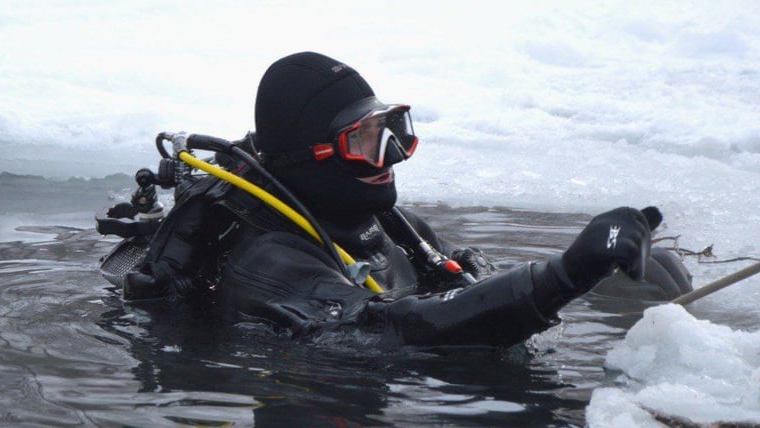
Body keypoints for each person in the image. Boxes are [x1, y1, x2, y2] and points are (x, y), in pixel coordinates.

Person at [112, 51, 691, 348]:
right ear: (310, 155)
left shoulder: (390, 224)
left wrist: (597, 279)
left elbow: (464, 287)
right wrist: (566, 275)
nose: (391, 155)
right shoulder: (270, 261)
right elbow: (390, 333)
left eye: (392, 131)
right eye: (363, 140)